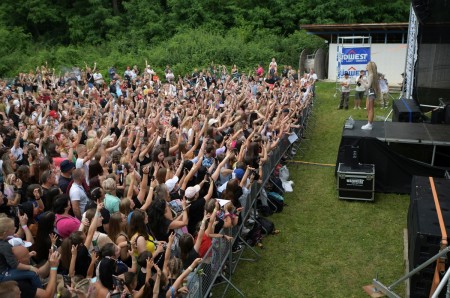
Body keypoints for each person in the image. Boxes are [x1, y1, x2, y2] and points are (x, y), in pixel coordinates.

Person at [361, 61, 380, 130]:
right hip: (370, 92)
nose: (366, 66)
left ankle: (369, 124)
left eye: (367, 65)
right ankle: (369, 123)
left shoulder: (371, 75)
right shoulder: (372, 74)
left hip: (371, 92)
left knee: (370, 108)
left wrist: (362, 81)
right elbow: (370, 84)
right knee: (368, 108)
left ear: (370, 67)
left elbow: (368, 86)